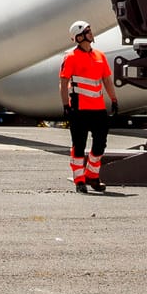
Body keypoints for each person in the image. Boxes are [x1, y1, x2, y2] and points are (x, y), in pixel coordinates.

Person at [59, 19, 117, 192]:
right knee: (79, 144)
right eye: (88, 31)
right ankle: (80, 181)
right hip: (79, 109)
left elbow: (107, 80)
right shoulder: (70, 57)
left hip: (98, 109)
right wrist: (65, 105)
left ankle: (92, 175)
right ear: (79, 37)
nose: (92, 33)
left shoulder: (100, 56)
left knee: (100, 144)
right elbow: (63, 83)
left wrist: (114, 99)